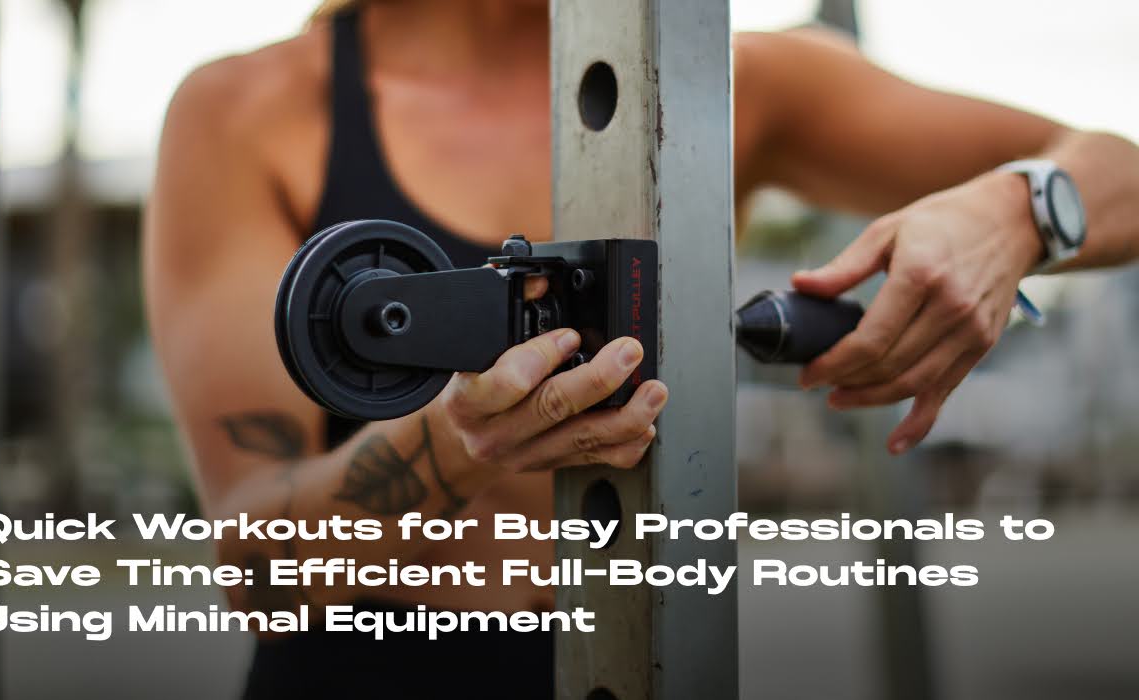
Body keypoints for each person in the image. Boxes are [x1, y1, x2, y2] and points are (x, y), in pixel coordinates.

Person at [142, 0, 1139, 696]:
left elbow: (1119, 175)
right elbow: (257, 568)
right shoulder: (251, 111)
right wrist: (456, 445)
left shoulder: (728, 76)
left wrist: (1015, 215)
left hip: (654, 660)